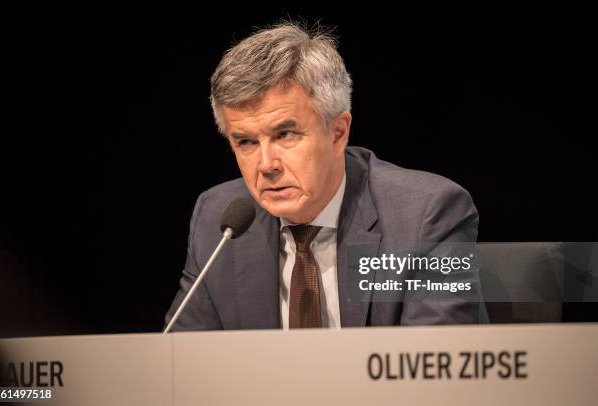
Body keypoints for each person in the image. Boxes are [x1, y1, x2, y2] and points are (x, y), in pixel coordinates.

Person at [165, 22, 485, 330]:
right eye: (246, 141)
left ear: (337, 132)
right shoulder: (218, 222)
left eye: (286, 134)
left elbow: (431, 370)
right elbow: (180, 367)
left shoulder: (425, 216)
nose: (266, 165)